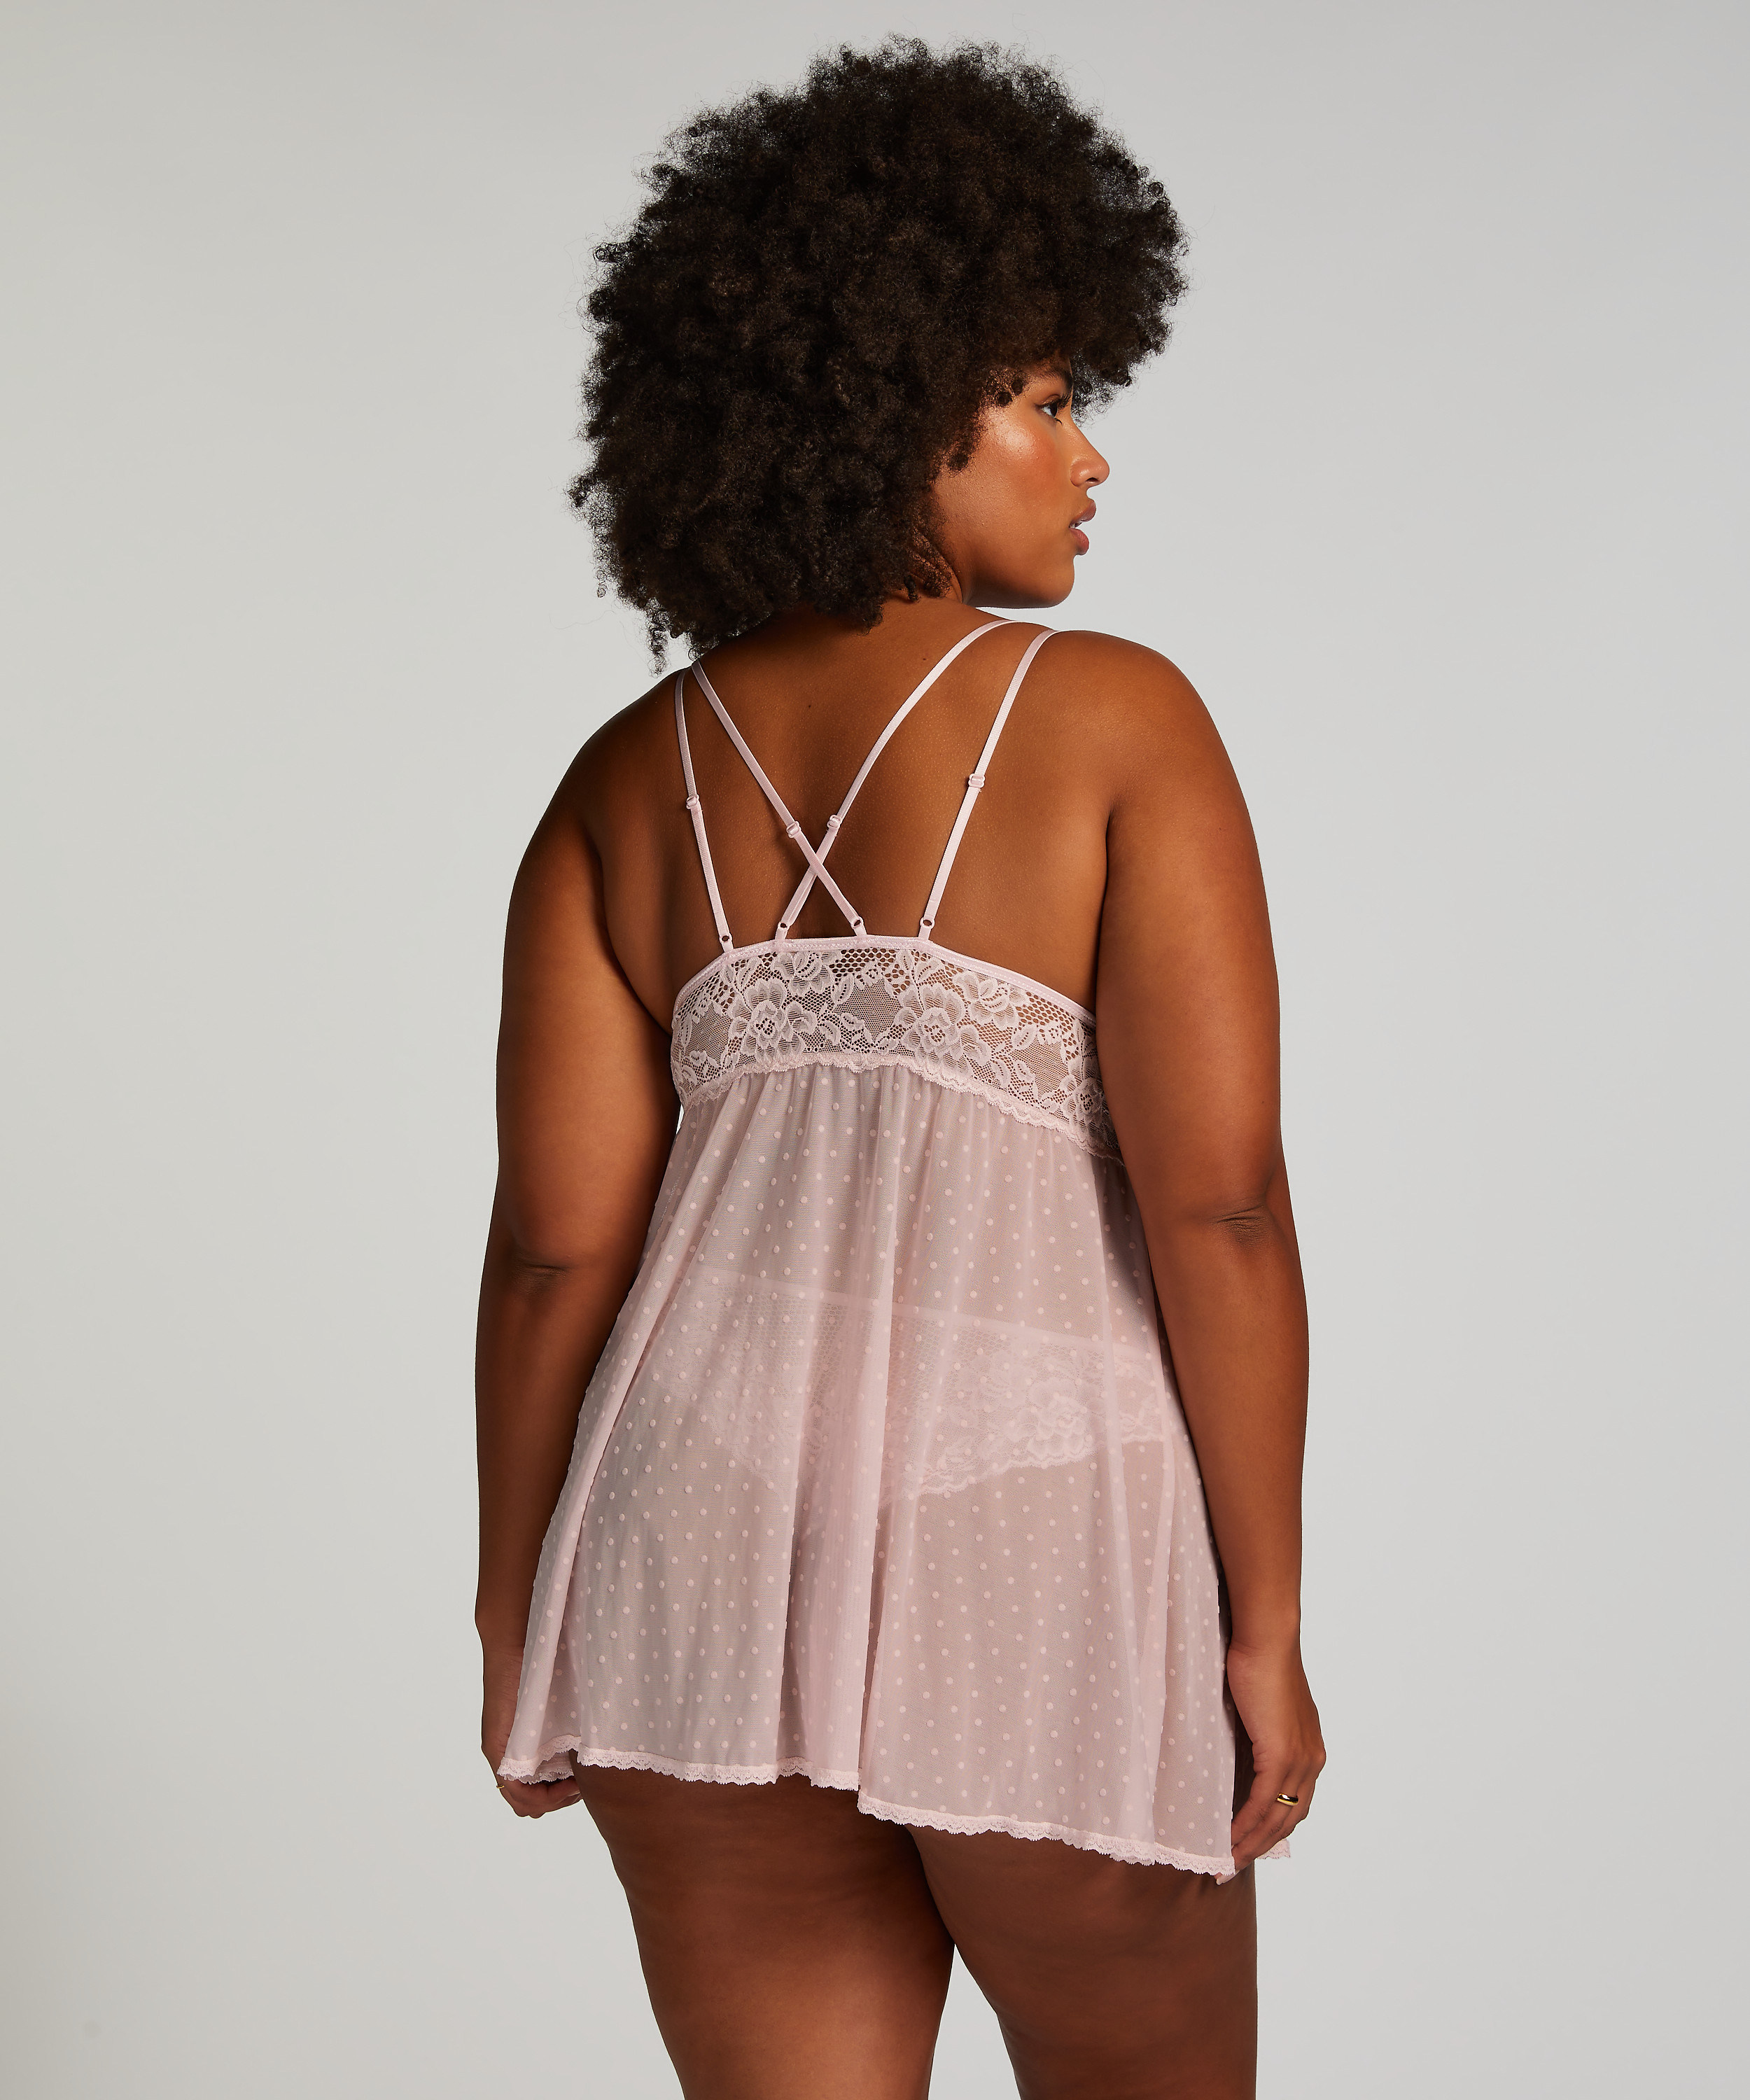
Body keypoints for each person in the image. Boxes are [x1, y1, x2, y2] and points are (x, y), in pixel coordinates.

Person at [475, 38, 1323, 2100]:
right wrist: (1264, 1620)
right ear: (886, 401)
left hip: (686, 1530)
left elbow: (555, 1255)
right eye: (1044, 397)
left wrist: (515, 1609)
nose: (1087, 456)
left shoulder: (617, 785)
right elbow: (1217, 1204)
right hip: (1031, 1529)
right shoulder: (1117, 721)